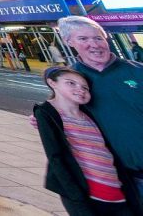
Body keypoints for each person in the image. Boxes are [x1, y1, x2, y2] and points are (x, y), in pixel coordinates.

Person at [57, 16, 143, 197]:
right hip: (123, 178)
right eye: (83, 39)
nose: (94, 44)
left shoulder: (137, 70)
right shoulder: (70, 81)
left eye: (98, 38)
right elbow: (62, 116)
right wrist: (42, 119)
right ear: (68, 41)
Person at [35, 66, 140, 215]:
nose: (81, 89)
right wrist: (75, 196)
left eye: (85, 87)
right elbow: (55, 157)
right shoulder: (47, 113)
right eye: (71, 83)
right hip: (87, 193)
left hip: (116, 190)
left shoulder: (89, 113)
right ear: (52, 83)